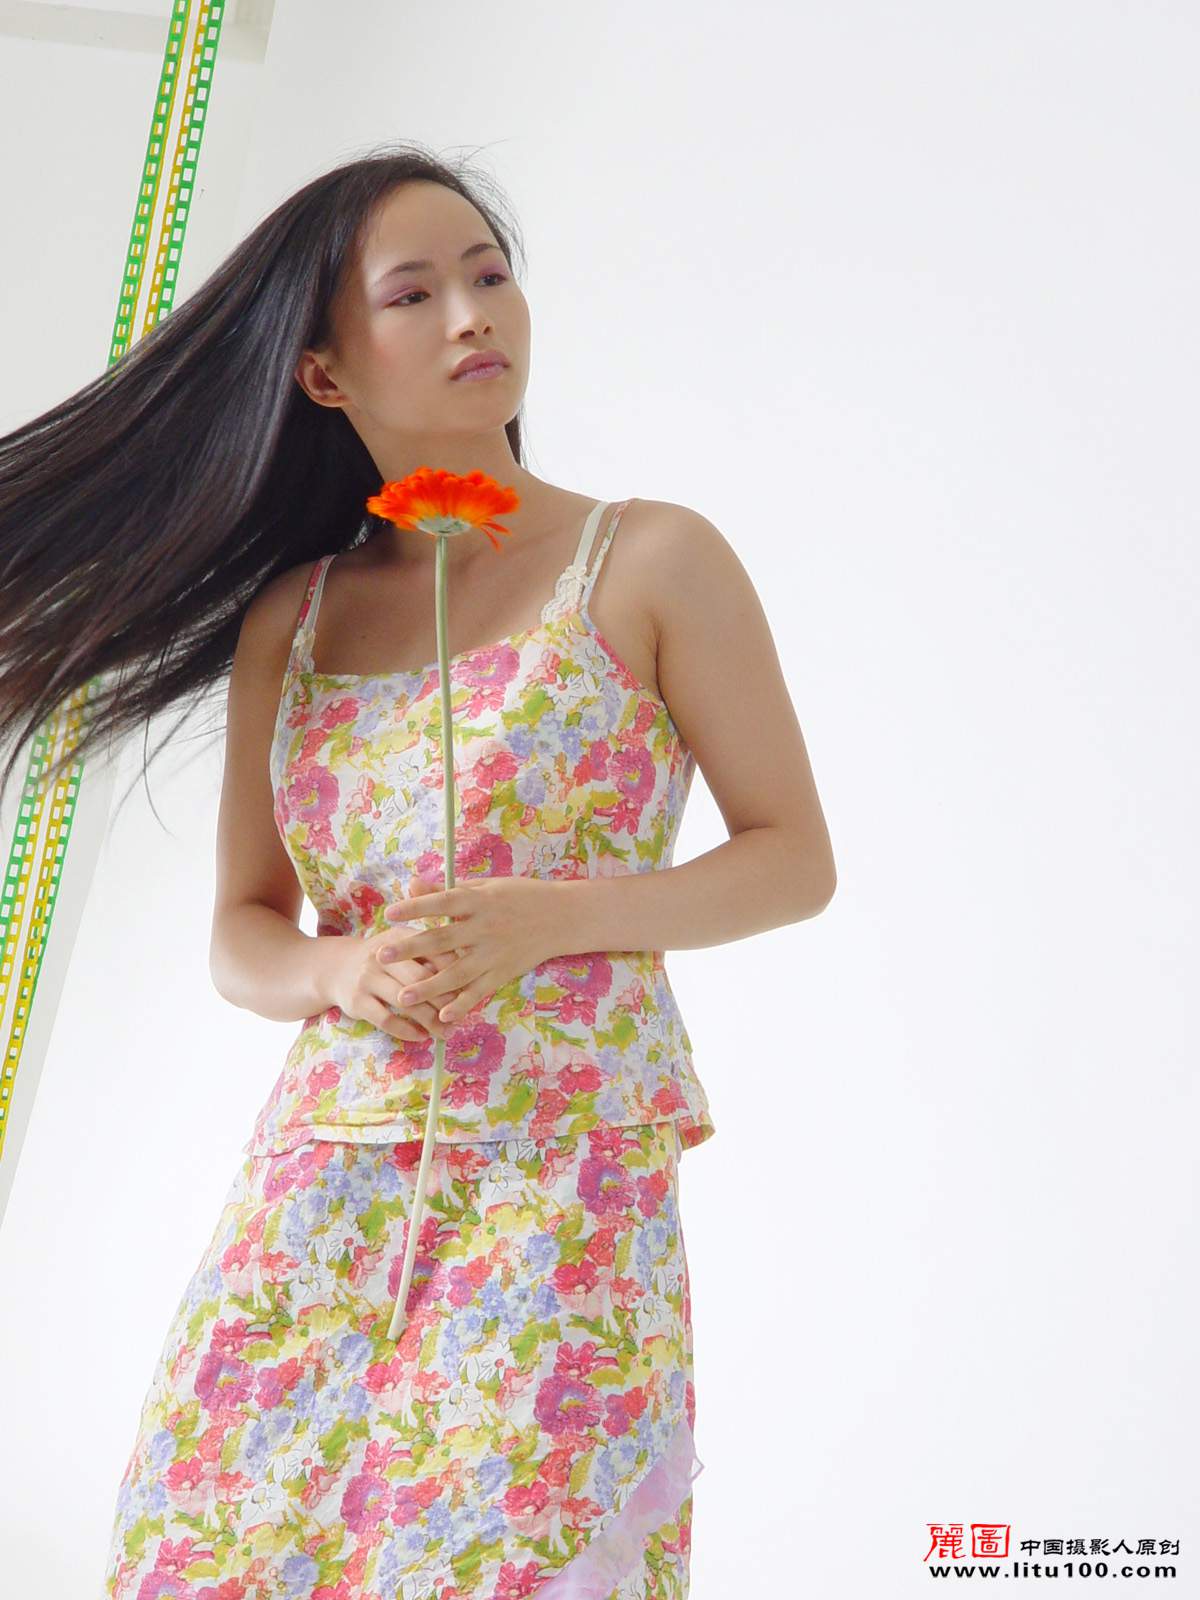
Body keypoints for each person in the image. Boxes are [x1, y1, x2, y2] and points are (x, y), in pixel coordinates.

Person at [2, 142, 836, 1597]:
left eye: (490, 275)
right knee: (219, 1550)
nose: (472, 316)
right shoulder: (296, 617)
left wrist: (551, 922)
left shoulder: (651, 561)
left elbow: (791, 861)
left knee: (506, 1560)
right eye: (415, 294)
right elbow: (245, 931)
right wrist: (339, 970)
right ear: (324, 373)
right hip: (322, 1178)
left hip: (562, 1171)